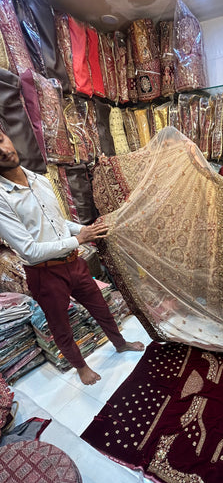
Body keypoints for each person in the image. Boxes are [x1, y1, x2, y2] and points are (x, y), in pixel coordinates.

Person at [0, 129, 145, 385]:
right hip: (44, 273)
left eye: (0, 140)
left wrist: (85, 230)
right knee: (60, 325)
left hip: (73, 262)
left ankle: (120, 343)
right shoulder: (2, 198)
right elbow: (28, 250)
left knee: (100, 306)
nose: (2, 150)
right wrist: (79, 238)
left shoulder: (40, 180)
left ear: (7, 136)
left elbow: (58, 223)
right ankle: (80, 367)